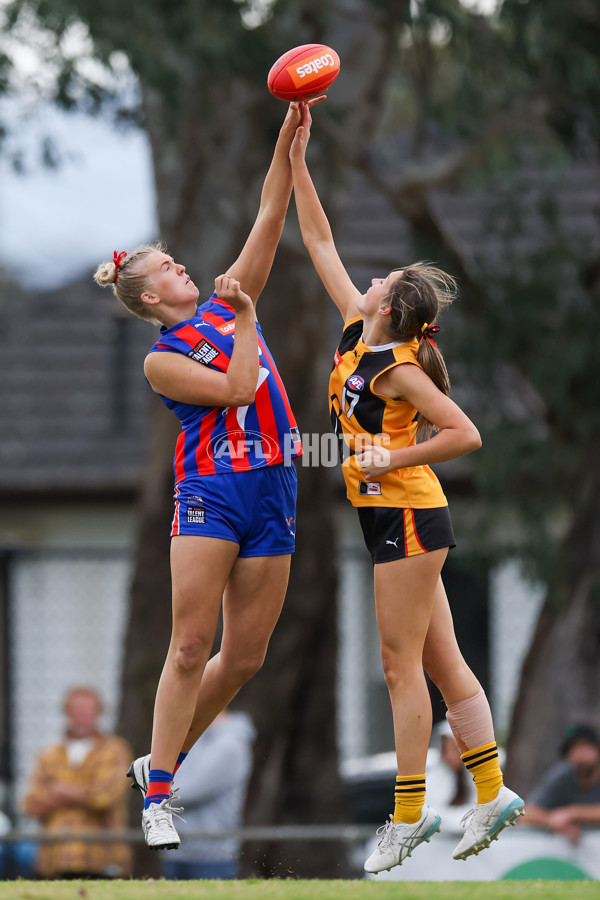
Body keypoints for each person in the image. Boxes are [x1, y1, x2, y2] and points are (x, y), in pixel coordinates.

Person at [288, 102, 524, 874]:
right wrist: (296, 157)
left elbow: (464, 434)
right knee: (443, 659)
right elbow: (318, 238)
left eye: (383, 279)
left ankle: (410, 812)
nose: (373, 277)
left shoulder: (397, 366)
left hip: (408, 515)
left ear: (391, 306)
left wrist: (388, 464)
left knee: (399, 666)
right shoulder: (362, 330)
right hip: (393, 518)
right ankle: (492, 792)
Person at [93, 98, 324, 852]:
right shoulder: (166, 357)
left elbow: (268, 216)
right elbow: (234, 389)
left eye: (176, 259)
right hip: (213, 492)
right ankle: (159, 797)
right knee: (191, 647)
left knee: (246, 657)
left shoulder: (228, 297)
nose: (182, 266)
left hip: (274, 487)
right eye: (168, 268)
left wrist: (289, 144)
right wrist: (249, 320)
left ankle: (157, 763)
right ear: (153, 298)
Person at [22, 687, 132, 879]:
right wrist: (84, 794)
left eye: (87, 710)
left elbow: (107, 797)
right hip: (55, 858)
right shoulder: (48, 755)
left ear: (98, 713)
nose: (81, 716)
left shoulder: (115, 750)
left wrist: (60, 792)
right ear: (66, 713)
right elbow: (31, 805)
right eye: (76, 710)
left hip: (101, 858)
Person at [160, 709, 255, 880]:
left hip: (211, 857)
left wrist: (156, 792)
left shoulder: (229, 746)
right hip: (177, 852)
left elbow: (188, 791)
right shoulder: (195, 740)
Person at [521, 724, 600, 844]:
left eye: (585, 746)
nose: (580, 755)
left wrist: (572, 813)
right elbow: (526, 813)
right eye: (573, 749)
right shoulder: (563, 775)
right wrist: (553, 821)